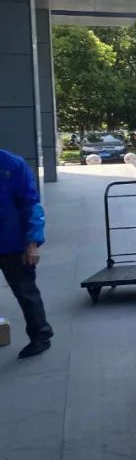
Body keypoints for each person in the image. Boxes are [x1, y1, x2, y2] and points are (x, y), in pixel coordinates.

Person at [0, 150, 52, 359]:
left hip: (13, 244)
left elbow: (31, 206)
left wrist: (32, 244)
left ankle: (41, 336)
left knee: (26, 293)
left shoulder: (12, 165)